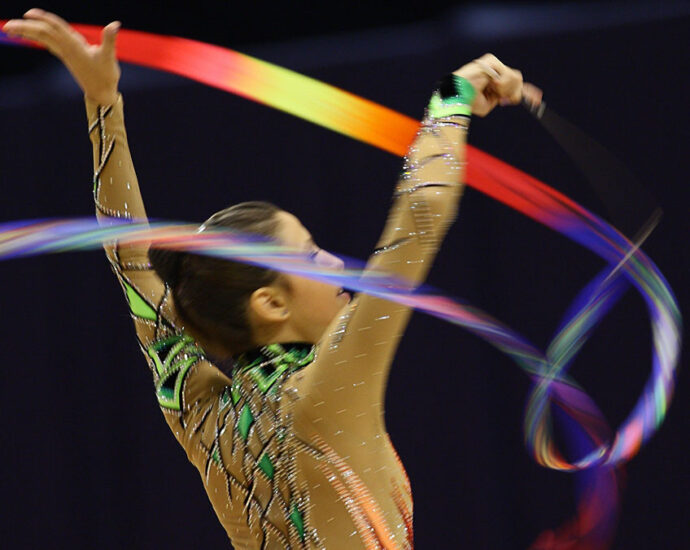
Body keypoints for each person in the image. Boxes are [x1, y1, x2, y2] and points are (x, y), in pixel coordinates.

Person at [3, 9, 529, 549]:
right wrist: (452, 96)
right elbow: (422, 216)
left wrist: (102, 103)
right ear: (271, 304)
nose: (334, 264)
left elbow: (130, 262)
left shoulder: (205, 414)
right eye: (311, 254)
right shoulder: (331, 386)